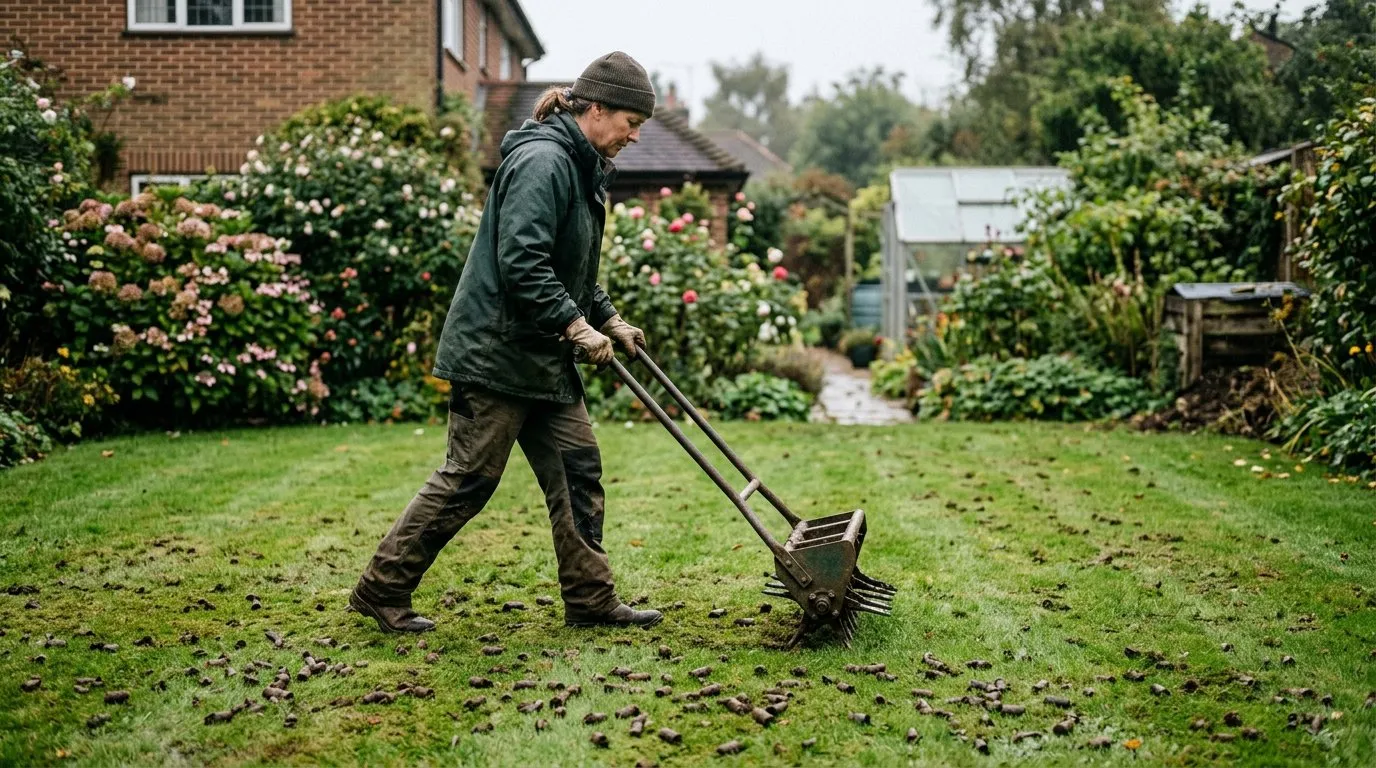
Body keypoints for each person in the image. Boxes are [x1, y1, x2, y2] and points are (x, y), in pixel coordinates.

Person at [349, 52, 663, 633]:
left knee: (578, 469)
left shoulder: (582, 165)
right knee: (469, 479)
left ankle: (591, 600)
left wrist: (609, 318)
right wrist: (575, 326)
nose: (635, 136)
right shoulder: (544, 162)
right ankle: (382, 587)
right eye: (630, 123)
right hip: (496, 354)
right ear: (596, 111)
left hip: (541, 358)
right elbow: (522, 262)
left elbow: (568, 266)